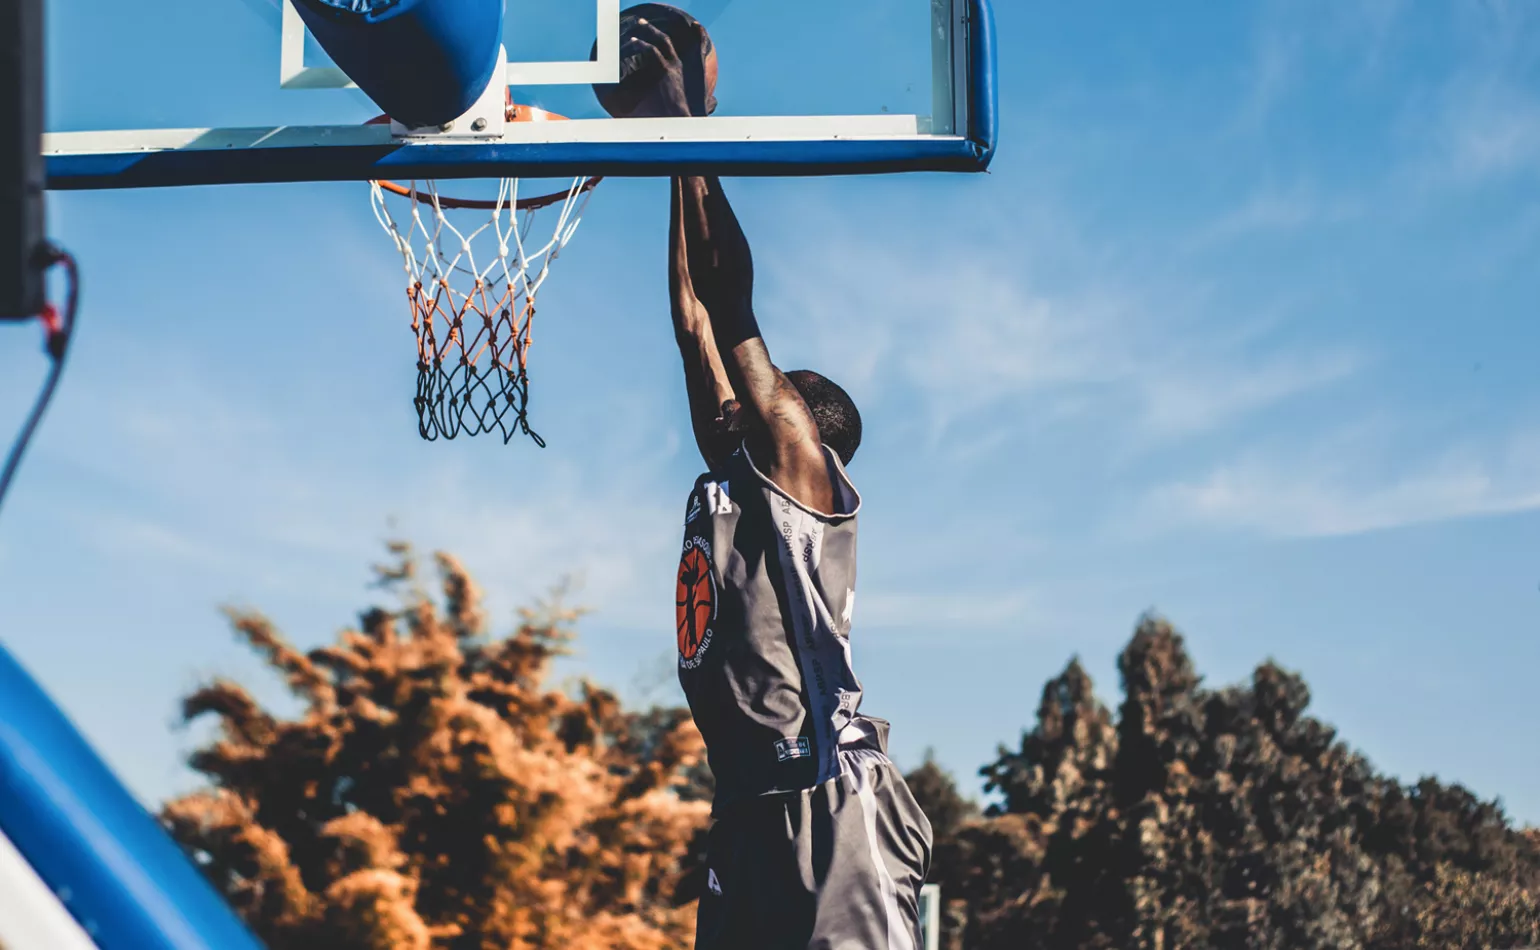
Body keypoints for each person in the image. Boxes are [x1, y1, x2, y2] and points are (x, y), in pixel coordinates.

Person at [624, 15, 934, 950]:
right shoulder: (731, 471)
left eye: (772, 392)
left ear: (804, 424)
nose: (743, 393)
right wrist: (664, 143)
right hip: (749, 802)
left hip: (827, 798)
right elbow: (691, 320)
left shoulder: (803, 473)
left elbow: (727, 302)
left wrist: (690, 124)